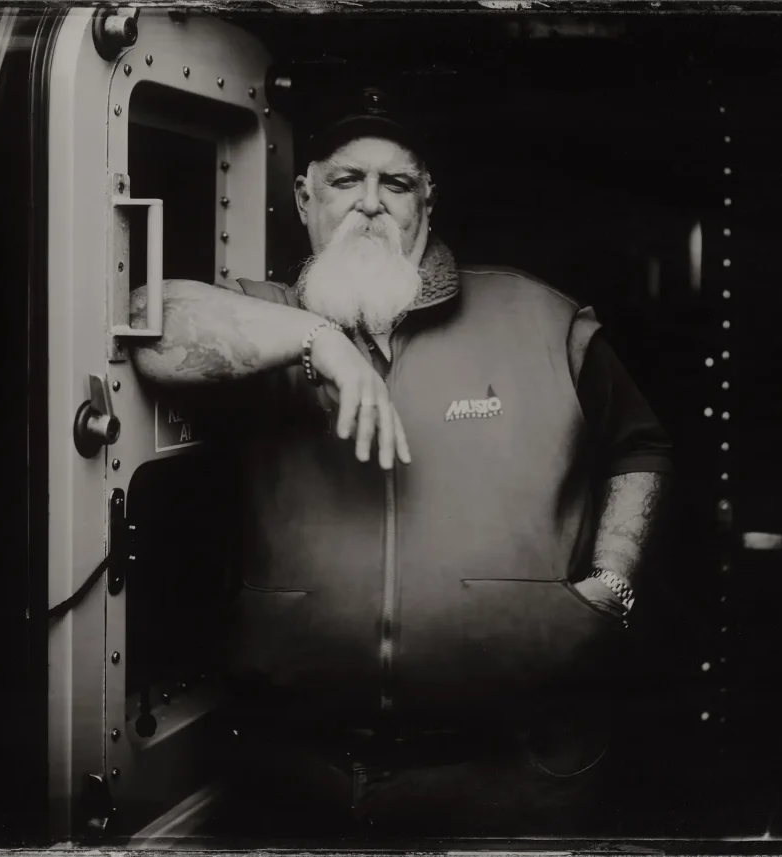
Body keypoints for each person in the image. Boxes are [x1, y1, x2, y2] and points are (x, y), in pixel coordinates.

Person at [129, 84, 672, 839]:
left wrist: (609, 584)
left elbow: (639, 445)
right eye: (347, 180)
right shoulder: (260, 316)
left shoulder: (542, 320)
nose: (371, 203)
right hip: (295, 776)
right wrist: (317, 341)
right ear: (304, 195)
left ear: (427, 201)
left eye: (397, 183)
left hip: (515, 777)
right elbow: (150, 324)